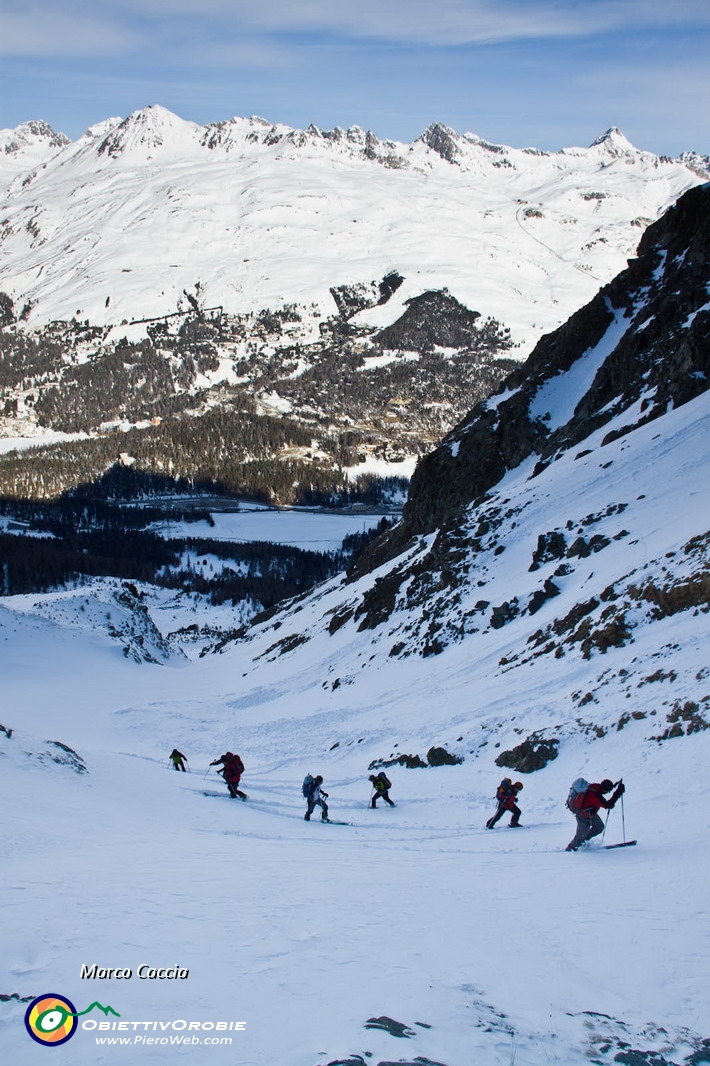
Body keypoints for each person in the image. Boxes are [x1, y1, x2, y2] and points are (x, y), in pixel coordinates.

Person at [565, 779, 625, 851]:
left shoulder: (594, 787)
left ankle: (584, 841)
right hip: (582, 816)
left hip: (590, 814)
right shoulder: (595, 795)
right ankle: (570, 849)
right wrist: (618, 793)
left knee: (599, 827)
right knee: (580, 836)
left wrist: (615, 786)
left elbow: (603, 792)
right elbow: (608, 805)